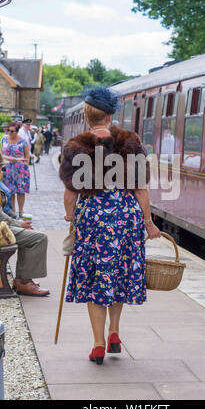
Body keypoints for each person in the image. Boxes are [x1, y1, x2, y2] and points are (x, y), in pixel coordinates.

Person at [59, 87, 161, 365]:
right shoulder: (130, 141)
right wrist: (149, 223)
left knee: (96, 278)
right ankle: (115, 332)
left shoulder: (76, 146)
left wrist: (70, 215)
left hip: (94, 218)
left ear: (85, 115)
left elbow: (71, 192)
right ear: (111, 115)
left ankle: (98, 344)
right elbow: (140, 188)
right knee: (119, 273)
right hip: (126, 217)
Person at [0, 207, 50, 297]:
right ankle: (23, 281)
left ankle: (22, 280)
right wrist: (19, 224)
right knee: (39, 238)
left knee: (33, 236)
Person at [1, 122, 30, 218]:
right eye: (8, 130)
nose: (9, 132)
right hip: (7, 169)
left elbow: (27, 155)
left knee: (21, 191)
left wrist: (26, 166)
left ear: (17, 132)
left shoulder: (23, 141)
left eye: (12, 131)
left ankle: (21, 211)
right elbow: (1, 154)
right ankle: (13, 211)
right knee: (10, 191)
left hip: (20, 170)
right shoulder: (4, 139)